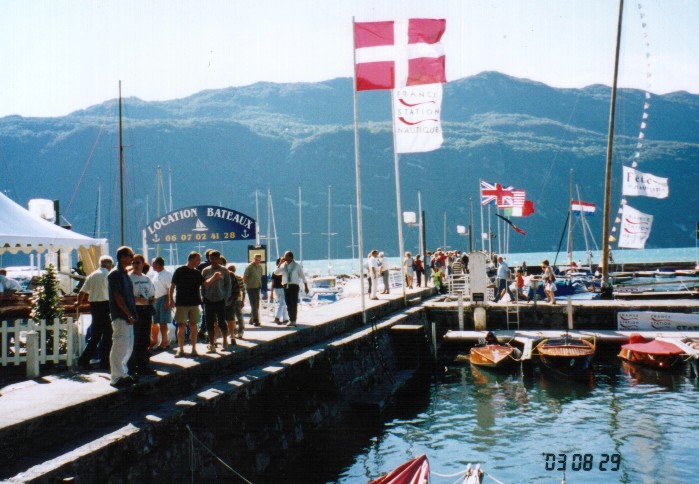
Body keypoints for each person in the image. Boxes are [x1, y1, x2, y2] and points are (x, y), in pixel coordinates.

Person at [168, 251, 214, 358]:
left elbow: (206, 284)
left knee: (194, 326)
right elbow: (172, 285)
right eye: (198, 259)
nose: (199, 262)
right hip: (181, 303)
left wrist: (215, 277)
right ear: (192, 259)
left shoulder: (197, 272)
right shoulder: (180, 270)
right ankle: (181, 349)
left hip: (194, 303)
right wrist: (171, 299)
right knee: (181, 326)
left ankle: (194, 349)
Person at [76, 255, 114, 370]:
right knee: (108, 335)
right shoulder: (109, 275)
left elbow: (82, 292)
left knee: (95, 335)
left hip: (94, 306)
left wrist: (78, 303)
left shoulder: (92, 276)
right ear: (109, 265)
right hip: (106, 305)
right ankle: (105, 361)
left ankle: (84, 359)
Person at [108, 246, 138, 388]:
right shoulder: (115, 274)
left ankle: (123, 373)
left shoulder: (124, 274)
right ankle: (116, 376)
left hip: (128, 315)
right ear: (121, 257)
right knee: (120, 345)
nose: (132, 259)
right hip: (120, 315)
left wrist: (132, 313)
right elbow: (117, 296)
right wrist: (128, 313)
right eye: (129, 256)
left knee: (128, 346)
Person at [127, 254, 157, 377]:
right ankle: (131, 366)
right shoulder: (129, 278)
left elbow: (151, 293)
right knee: (134, 338)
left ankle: (143, 365)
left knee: (144, 339)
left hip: (146, 311)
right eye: (133, 262)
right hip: (135, 310)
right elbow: (126, 296)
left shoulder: (146, 278)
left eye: (138, 263)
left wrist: (152, 299)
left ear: (143, 264)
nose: (135, 265)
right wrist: (137, 300)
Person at [201, 250, 232, 352]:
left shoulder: (224, 270)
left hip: (220, 299)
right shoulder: (205, 271)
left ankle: (224, 341)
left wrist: (226, 298)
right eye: (211, 259)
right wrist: (203, 297)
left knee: (222, 321)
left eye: (215, 258)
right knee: (209, 323)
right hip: (208, 300)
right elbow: (202, 286)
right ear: (209, 259)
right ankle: (211, 343)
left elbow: (228, 285)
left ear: (219, 259)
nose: (213, 261)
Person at [274, 251, 309, 327]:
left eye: (286, 256)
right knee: (288, 303)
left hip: (294, 286)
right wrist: (280, 263)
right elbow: (276, 273)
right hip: (286, 286)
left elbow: (302, 276)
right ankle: (291, 319)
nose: (285, 258)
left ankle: (294, 320)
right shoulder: (283, 266)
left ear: (291, 257)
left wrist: (306, 286)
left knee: (294, 303)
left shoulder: (297, 266)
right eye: (284, 256)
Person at [149, 256, 172, 351]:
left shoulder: (167, 274)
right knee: (158, 322)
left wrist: (168, 301)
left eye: (153, 264)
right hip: (157, 299)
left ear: (158, 264)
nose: (152, 266)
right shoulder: (156, 274)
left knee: (163, 322)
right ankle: (164, 340)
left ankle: (164, 342)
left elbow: (169, 289)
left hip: (164, 298)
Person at [243, 254, 263, 327]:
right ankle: (256, 320)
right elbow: (245, 277)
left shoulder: (260, 267)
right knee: (254, 304)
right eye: (257, 259)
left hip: (257, 287)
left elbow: (260, 276)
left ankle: (252, 319)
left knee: (256, 304)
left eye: (259, 260)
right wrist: (243, 287)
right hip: (251, 287)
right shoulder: (249, 267)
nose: (258, 261)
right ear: (253, 259)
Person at [226, 264, 246, 339]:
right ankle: (240, 331)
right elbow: (243, 290)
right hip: (237, 299)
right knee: (239, 315)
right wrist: (243, 300)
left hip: (230, 300)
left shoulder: (227, 278)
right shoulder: (239, 278)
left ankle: (235, 331)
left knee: (232, 317)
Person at [270, 257, 289, 325]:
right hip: (282, 288)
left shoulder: (274, 272)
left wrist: (271, 293)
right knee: (283, 303)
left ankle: (285, 319)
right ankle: (277, 317)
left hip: (276, 289)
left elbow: (272, 283)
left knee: (282, 303)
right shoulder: (283, 271)